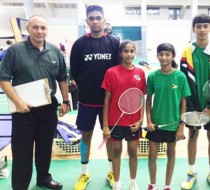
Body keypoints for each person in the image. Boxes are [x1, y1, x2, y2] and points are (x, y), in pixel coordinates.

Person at [0, 15, 69, 190]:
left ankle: (44, 178)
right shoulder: (15, 51)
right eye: (35, 27)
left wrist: (66, 101)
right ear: (28, 29)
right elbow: (4, 79)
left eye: (43, 28)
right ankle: (20, 186)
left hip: (48, 108)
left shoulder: (54, 51)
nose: (39, 31)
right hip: (23, 110)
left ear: (47, 30)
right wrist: (18, 102)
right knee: (22, 150)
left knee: (45, 146)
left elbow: (62, 78)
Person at [70, 5, 120, 190]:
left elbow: (119, 70)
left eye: (99, 18)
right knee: (86, 137)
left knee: (109, 137)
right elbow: (74, 71)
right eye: (92, 18)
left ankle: (110, 171)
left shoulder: (114, 43)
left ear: (105, 20)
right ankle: (84, 173)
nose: (95, 21)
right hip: (87, 101)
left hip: (109, 101)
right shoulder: (79, 44)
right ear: (87, 21)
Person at [180, 14, 210, 190]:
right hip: (193, 104)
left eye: (205, 26)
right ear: (193, 29)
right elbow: (184, 81)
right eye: (198, 26)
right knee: (192, 137)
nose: (201, 30)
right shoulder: (186, 51)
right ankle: (191, 172)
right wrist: (190, 108)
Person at [102, 40, 146, 190]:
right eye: (126, 51)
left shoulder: (140, 73)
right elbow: (107, 100)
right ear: (120, 53)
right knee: (116, 151)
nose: (129, 54)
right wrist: (105, 125)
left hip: (133, 122)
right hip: (115, 121)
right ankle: (117, 182)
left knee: (133, 152)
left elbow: (141, 98)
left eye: (132, 51)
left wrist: (141, 120)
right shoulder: (111, 72)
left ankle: (133, 182)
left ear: (135, 53)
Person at [146, 43, 191, 190]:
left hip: (173, 124)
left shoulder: (180, 76)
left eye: (167, 54)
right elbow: (148, 99)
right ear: (157, 56)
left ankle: (167, 185)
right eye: (161, 54)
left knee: (171, 154)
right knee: (152, 155)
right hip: (156, 124)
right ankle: (153, 184)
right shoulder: (153, 76)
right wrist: (149, 120)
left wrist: (181, 126)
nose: (164, 57)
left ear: (173, 56)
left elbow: (183, 102)